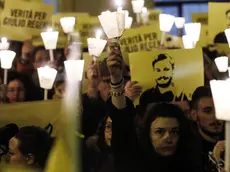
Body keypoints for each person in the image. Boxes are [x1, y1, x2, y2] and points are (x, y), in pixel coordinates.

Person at [103, 43, 202, 172]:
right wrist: (116, 80)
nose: (168, 138)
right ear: (148, 134)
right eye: (160, 132)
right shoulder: (135, 164)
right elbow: (122, 123)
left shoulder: (193, 164)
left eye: (174, 132)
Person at [190, 86, 225, 172]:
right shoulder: (189, 153)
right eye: (208, 111)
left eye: (219, 110)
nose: (216, 117)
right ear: (194, 115)